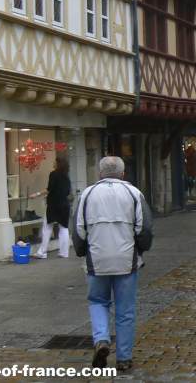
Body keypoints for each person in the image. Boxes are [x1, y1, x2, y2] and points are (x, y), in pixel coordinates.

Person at [73, 156, 153, 373]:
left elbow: (79, 229)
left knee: (98, 301)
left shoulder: (87, 195)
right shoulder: (134, 193)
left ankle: (101, 339)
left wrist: (82, 251)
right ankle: (124, 358)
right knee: (125, 310)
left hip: (96, 260)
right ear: (123, 173)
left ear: (100, 174)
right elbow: (144, 228)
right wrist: (141, 250)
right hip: (126, 260)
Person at [33, 156, 72, 259]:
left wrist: (36, 194)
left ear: (58, 164)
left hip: (53, 205)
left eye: (55, 162)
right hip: (64, 205)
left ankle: (42, 252)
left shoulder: (53, 174)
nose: (53, 163)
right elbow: (67, 192)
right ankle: (64, 252)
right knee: (64, 228)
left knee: (47, 227)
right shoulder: (66, 176)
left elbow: (49, 189)